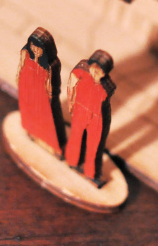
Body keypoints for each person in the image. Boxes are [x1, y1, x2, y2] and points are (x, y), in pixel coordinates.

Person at [64, 50, 116, 185]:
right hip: (80, 110)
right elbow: (71, 86)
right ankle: (72, 160)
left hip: (97, 118)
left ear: (105, 73)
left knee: (95, 146)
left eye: (100, 71)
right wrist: (71, 103)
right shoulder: (80, 71)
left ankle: (91, 173)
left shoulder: (107, 87)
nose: (96, 73)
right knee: (76, 136)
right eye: (94, 68)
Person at [17, 28, 66, 156]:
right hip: (28, 90)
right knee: (31, 113)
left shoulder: (51, 65)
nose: (35, 51)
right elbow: (21, 70)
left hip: (43, 96)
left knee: (48, 119)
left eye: (38, 48)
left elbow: (54, 85)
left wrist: (51, 97)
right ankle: (33, 132)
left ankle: (52, 144)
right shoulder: (25, 54)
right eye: (33, 47)